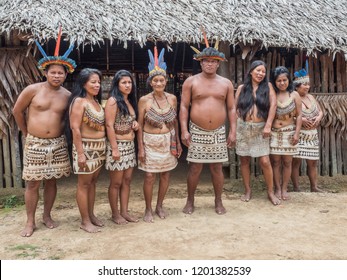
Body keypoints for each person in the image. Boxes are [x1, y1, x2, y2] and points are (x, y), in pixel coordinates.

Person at [12, 29, 76, 237]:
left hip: (57, 143)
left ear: (66, 74)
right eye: (53, 72)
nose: (57, 76)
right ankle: (30, 221)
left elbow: (71, 119)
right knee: (32, 182)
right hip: (35, 143)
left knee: (52, 180)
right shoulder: (33, 90)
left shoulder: (67, 95)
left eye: (60, 73)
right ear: (45, 72)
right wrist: (26, 132)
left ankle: (47, 215)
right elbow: (17, 111)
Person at [180, 40, 236, 215]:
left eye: (213, 61)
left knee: (217, 167)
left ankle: (218, 201)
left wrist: (233, 130)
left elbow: (231, 108)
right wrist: (184, 130)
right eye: (206, 61)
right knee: (195, 167)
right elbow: (183, 106)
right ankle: (190, 200)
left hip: (218, 131)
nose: (209, 64)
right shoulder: (191, 82)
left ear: (218, 63)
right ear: (201, 62)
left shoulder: (226, 83)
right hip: (196, 129)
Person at [137, 46, 182, 223]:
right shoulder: (144, 100)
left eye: (161, 80)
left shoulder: (172, 99)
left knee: (166, 175)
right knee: (149, 176)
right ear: (150, 82)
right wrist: (140, 148)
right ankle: (148, 208)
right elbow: (140, 125)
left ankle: (159, 205)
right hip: (150, 141)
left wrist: (177, 141)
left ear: (166, 81)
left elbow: (175, 121)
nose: (158, 84)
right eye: (155, 81)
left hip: (168, 140)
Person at [235, 60, 280, 205]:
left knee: (265, 161)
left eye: (263, 71)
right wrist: (236, 126)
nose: (261, 74)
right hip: (243, 127)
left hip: (261, 128)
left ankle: (270, 192)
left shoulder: (268, 86)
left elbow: (273, 105)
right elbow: (234, 108)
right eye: (258, 70)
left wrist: (268, 125)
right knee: (244, 160)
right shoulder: (242, 88)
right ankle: (248, 190)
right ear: (251, 71)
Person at [69, 68, 106, 233]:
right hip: (85, 147)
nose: (97, 85)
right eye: (93, 82)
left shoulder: (97, 102)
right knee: (84, 184)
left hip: (99, 147)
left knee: (92, 183)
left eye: (98, 82)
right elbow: (75, 128)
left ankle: (91, 215)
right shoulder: (79, 102)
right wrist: (81, 153)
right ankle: (84, 221)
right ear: (84, 83)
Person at [105, 70, 139, 224]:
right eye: (124, 82)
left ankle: (124, 212)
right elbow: (109, 125)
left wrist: (135, 124)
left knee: (126, 181)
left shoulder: (129, 101)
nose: (127, 85)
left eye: (129, 82)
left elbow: (128, 121)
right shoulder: (113, 101)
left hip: (129, 146)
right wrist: (114, 148)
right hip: (118, 145)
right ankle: (115, 214)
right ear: (117, 85)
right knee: (116, 183)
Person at [269, 66, 302, 200]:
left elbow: (299, 115)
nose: (282, 83)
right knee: (275, 162)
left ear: (289, 80)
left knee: (288, 162)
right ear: (274, 82)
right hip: (274, 132)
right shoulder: (272, 94)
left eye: (284, 80)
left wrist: (296, 134)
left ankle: (284, 188)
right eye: (279, 81)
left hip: (289, 132)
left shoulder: (294, 95)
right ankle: (277, 188)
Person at [291, 64, 323, 192]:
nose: (307, 87)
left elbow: (321, 111)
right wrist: (300, 120)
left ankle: (314, 187)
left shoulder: (311, 97)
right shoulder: (293, 98)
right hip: (299, 134)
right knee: (296, 162)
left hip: (312, 135)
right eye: (304, 85)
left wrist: (319, 118)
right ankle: (296, 187)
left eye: (308, 84)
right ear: (297, 87)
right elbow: (287, 116)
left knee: (313, 162)